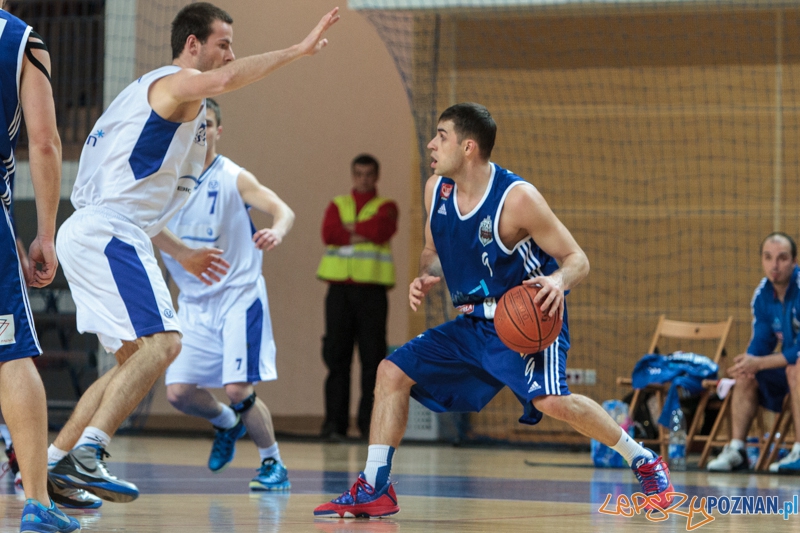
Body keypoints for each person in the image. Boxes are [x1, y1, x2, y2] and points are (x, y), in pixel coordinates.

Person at [314, 103, 673, 518]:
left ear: (468, 147)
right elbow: (431, 250)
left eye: (441, 136)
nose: (431, 144)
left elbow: (578, 259)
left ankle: (643, 459)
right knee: (390, 372)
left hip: (527, 318)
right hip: (473, 322)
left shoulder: (517, 198)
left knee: (552, 402)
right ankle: (375, 486)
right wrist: (426, 275)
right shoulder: (436, 190)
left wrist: (557, 282)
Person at [46, 2, 339, 507]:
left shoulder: (169, 106)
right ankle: (89, 453)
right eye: (223, 44)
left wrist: (182, 252)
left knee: (132, 360)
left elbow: (144, 203)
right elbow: (222, 82)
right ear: (192, 45)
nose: (231, 55)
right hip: (110, 231)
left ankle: (55, 465)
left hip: (98, 230)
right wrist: (298, 50)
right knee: (165, 345)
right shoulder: (175, 83)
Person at [163, 98, 294, 491]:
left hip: (237, 296)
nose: (200, 130)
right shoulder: (166, 182)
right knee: (178, 393)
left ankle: (274, 464)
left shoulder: (233, 176)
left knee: (237, 388)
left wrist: (277, 231)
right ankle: (226, 422)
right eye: (194, 123)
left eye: (207, 123)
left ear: (218, 130)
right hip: (194, 302)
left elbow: (282, 209)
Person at [0, 6, 81, 532]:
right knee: (10, 355)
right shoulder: (20, 40)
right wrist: (46, 232)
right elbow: (45, 141)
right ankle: (37, 504)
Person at [317, 154, 398, 440]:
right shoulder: (338, 204)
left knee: (372, 361)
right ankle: (334, 425)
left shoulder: (387, 206)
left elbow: (380, 230)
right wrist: (361, 232)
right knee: (336, 359)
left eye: (369, 174)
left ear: (376, 177)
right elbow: (329, 233)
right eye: (359, 174)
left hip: (372, 292)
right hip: (339, 292)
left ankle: (369, 427)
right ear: (353, 175)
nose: (363, 179)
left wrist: (348, 230)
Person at [707, 232, 800, 473]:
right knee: (746, 374)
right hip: (790, 373)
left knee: (796, 368)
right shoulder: (762, 295)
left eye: (782, 258)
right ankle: (737, 449)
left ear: (794, 261)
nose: (774, 265)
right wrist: (748, 363)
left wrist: (758, 362)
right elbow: (760, 345)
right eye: (768, 258)